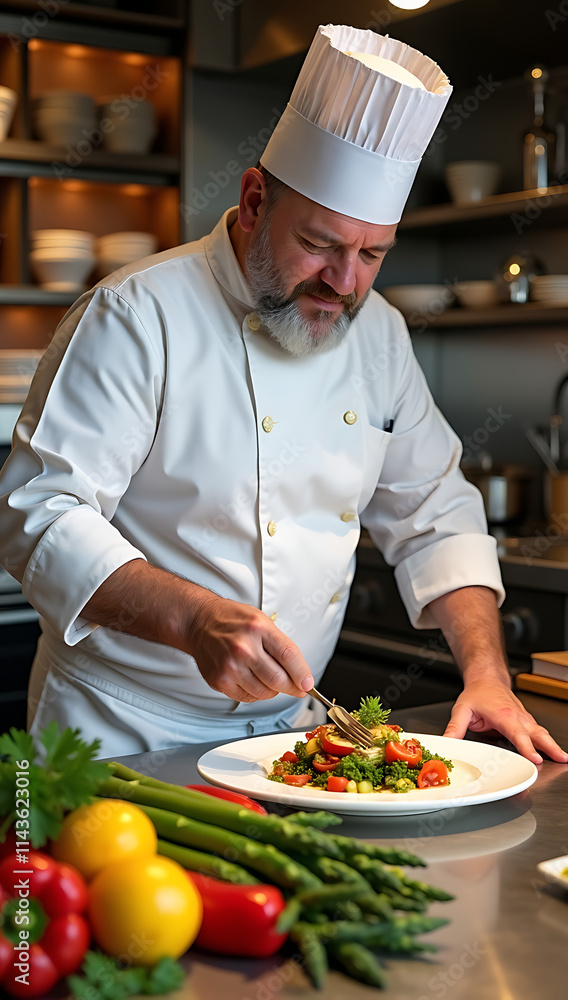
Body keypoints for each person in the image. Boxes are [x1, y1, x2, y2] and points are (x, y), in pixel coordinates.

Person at [0, 25, 566, 765]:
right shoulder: (137, 315)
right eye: (323, 244)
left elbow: (435, 513)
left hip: (290, 739)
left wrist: (488, 674)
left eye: (372, 254)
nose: (345, 282)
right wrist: (193, 619)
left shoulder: (381, 335)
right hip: (120, 732)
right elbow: (39, 515)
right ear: (255, 198)